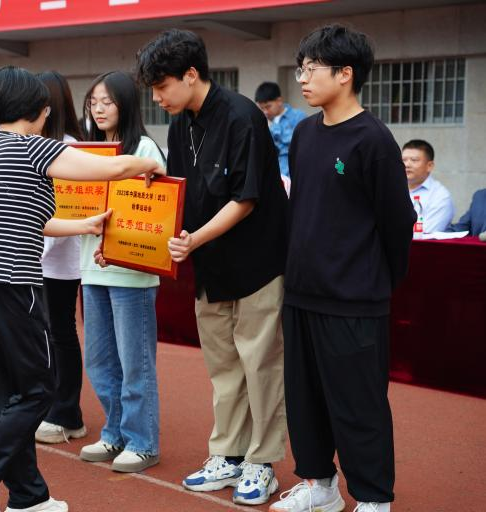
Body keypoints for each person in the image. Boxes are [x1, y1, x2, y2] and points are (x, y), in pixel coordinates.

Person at [0, 65, 165, 512]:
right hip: (11, 283)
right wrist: (148, 163)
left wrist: (85, 224)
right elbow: (111, 167)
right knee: (38, 391)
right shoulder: (33, 146)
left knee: (10, 394)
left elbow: (32, 220)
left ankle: (28, 496)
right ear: (38, 110)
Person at [137, 30, 288, 506]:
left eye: (162, 87)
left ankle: (262, 462)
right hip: (210, 266)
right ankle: (228, 453)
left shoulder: (243, 116)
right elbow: (182, 190)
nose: (157, 98)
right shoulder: (181, 124)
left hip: (258, 262)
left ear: (191, 75)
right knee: (223, 368)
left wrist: (193, 240)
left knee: (260, 365)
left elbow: (246, 199)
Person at [271, 25, 416, 512]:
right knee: (305, 402)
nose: (302, 78)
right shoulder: (304, 134)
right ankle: (320, 485)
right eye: (301, 68)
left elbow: (397, 223)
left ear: (345, 74)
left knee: (359, 404)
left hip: (354, 300)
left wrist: (375, 280)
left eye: (312, 68)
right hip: (301, 293)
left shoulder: (373, 140)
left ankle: (373, 498)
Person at [78, 71, 165, 473]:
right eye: (93, 101)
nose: (98, 109)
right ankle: (114, 433)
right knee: (100, 362)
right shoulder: (87, 150)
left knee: (135, 364)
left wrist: (116, 248)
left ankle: (142, 442)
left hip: (131, 274)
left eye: (107, 102)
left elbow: (156, 211)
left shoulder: (144, 148)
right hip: (91, 269)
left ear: (126, 104)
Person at [34, 71, 87, 445]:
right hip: (40, 257)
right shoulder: (38, 144)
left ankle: (68, 413)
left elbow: (66, 209)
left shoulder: (67, 147)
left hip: (60, 260)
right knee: (46, 334)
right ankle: (54, 405)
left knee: (61, 332)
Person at [255, 81, 306, 177]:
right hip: (271, 175)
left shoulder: (298, 116)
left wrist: (272, 126)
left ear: (279, 101)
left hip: (293, 174)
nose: (265, 112)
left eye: (268, 107)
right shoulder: (262, 121)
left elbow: (296, 142)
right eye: (262, 108)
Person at [403, 139, 454, 233]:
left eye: (414, 160)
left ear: (429, 166)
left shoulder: (440, 196)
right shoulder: (391, 190)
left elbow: (426, 233)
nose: (407, 164)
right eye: (403, 160)